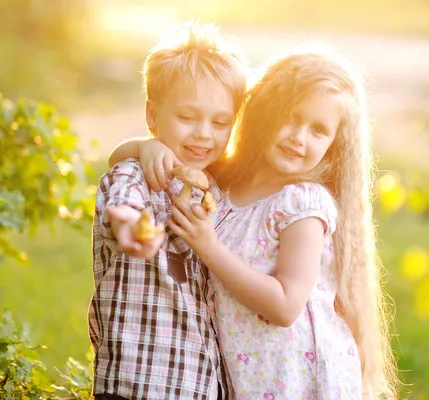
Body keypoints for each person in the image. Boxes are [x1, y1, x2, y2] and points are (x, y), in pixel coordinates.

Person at [111, 45, 398, 399]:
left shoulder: (302, 204)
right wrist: (146, 148)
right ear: (263, 111)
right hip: (249, 377)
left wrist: (209, 247)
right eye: (291, 118)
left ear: (334, 144)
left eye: (318, 130)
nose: (299, 137)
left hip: (299, 379)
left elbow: (285, 305)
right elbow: (116, 159)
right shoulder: (224, 182)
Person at [88, 20, 247, 400]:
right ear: (154, 116)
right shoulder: (135, 174)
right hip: (136, 381)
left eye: (220, 122)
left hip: (200, 384)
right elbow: (120, 204)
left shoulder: (216, 190)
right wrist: (130, 225)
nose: (204, 134)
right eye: (187, 117)